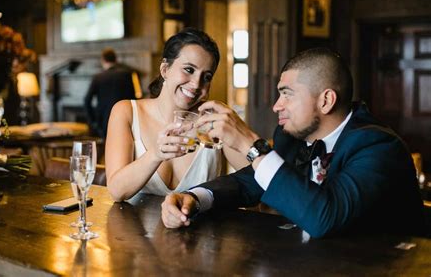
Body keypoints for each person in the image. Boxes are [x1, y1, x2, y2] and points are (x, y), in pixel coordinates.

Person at [161, 47, 425, 238]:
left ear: (326, 100)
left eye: (287, 95)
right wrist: (193, 197)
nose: (277, 106)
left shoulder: (378, 146)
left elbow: (324, 218)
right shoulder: (292, 137)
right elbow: (249, 182)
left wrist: (250, 145)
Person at [104, 28, 248, 202]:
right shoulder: (126, 111)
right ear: (165, 69)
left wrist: (235, 128)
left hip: (203, 228)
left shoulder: (213, 120)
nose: (196, 84)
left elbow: (257, 179)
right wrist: (155, 154)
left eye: (207, 77)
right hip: (134, 229)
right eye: (189, 69)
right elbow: (117, 191)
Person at [84, 48, 140, 138]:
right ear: (115, 59)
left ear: (103, 60)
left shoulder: (98, 77)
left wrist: (93, 121)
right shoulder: (128, 75)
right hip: (125, 119)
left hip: (103, 122)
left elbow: (87, 100)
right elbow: (135, 98)